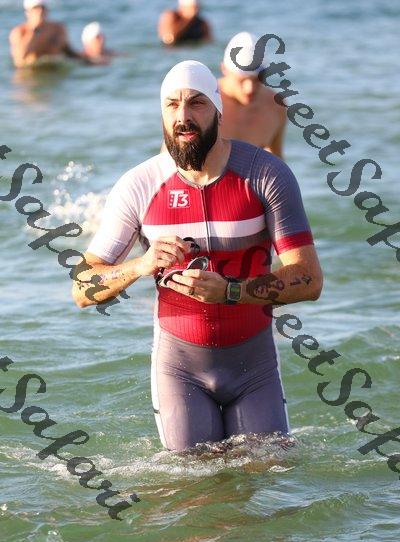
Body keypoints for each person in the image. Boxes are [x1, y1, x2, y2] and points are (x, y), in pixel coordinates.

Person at [72, 60, 323, 452]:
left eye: (197, 103)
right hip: (180, 372)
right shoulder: (139, 186)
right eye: (172, 105)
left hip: (254, 369)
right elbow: (82, 288)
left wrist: (232, 292)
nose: (183, 116)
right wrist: (141, 265)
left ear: (219, 111)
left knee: (268, 473)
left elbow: (309, 278)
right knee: (193, 482)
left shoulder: (266, 175)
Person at [219, 32, 287, 158]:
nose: (249, 89)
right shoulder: (203, 103)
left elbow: (277, 160)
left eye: (257, 80)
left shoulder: (275, 106)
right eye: (242, 80)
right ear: (224, 69)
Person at [9, 0, 81, 68]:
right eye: (36, 8)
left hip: (54, 69)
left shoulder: (57, 29)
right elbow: (20, 58)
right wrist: (35, 29)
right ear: (28, 12)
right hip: (31, 70)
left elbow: (68, 51)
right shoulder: (19, 32)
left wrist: (84, 58)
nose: (40, 11)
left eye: (43, 8)